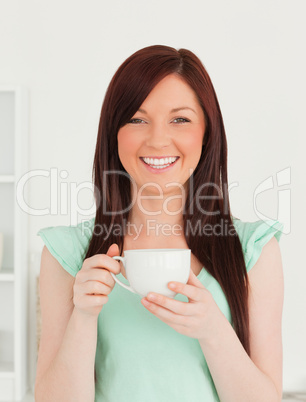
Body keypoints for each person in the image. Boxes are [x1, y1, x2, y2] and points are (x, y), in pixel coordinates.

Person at [35, 45, 284, 402]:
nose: (157, 139)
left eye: (180, 119)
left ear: (207, 133)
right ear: (113, 134)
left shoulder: (253, 250)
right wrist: (83, 317)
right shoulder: (68, 254)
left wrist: (214, 331)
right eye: (137, 119)